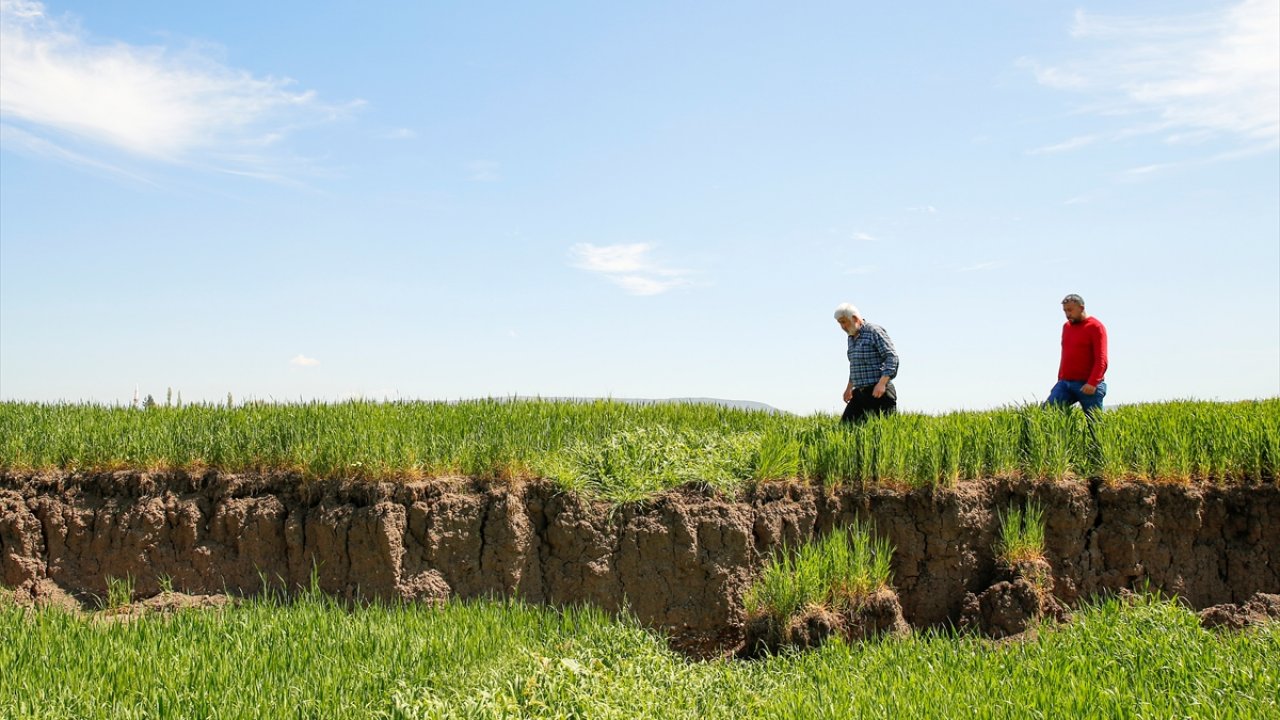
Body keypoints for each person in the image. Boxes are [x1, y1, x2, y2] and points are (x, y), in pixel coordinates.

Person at [834, 303, 900, 424]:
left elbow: (891, 357)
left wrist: (882, 384)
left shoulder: (874, 332)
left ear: (855, 318)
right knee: (845, 429)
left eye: (844, 322)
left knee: (881, 434)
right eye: (839, 323)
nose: (842, 326)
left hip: (879, 393)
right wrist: (849, 388)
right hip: (859, 394)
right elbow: (855, 365)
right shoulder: (851, 338)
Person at [1045, 293, 1108, 415]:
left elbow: (1102, 359)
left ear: (1081, 308)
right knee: (1047, 413)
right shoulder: (1066, 327)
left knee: (1095, 425)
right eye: (1065, 311)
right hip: (1065, 383)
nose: (1067, 314)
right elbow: (1065, 356)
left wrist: (1092, 383)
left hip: (1088, 384)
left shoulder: (1095, 327)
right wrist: (1060, 379)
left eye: (1070, 310)